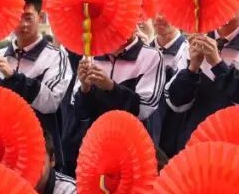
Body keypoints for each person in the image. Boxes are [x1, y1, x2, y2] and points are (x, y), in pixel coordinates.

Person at [162, 0, 239, 157]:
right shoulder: (195, 42)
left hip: (234, 151)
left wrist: (217, 64)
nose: (224, 4)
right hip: (193, 146)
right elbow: (175, 103)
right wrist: (192, 69)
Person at [0, 0, 72, 163]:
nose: (22, 24)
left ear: (40, 17)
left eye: (28, 17)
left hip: (41, 150)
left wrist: (12, 77)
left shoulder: (57, 57)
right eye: (17, 17)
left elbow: (50, 103)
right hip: (4, 150)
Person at [63, 33, 164, 175]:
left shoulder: (151, 56)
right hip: (96, 145)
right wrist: (84, 89)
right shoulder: (91, 54)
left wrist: (111, 87)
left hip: (133, 146)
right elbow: (81, 112)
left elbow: (145, 107)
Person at [146, 13, 189, 144]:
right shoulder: (142, 51)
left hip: (173, 137)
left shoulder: (189, 53)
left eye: (165, 12)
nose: (159, 18)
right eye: (155, 11)